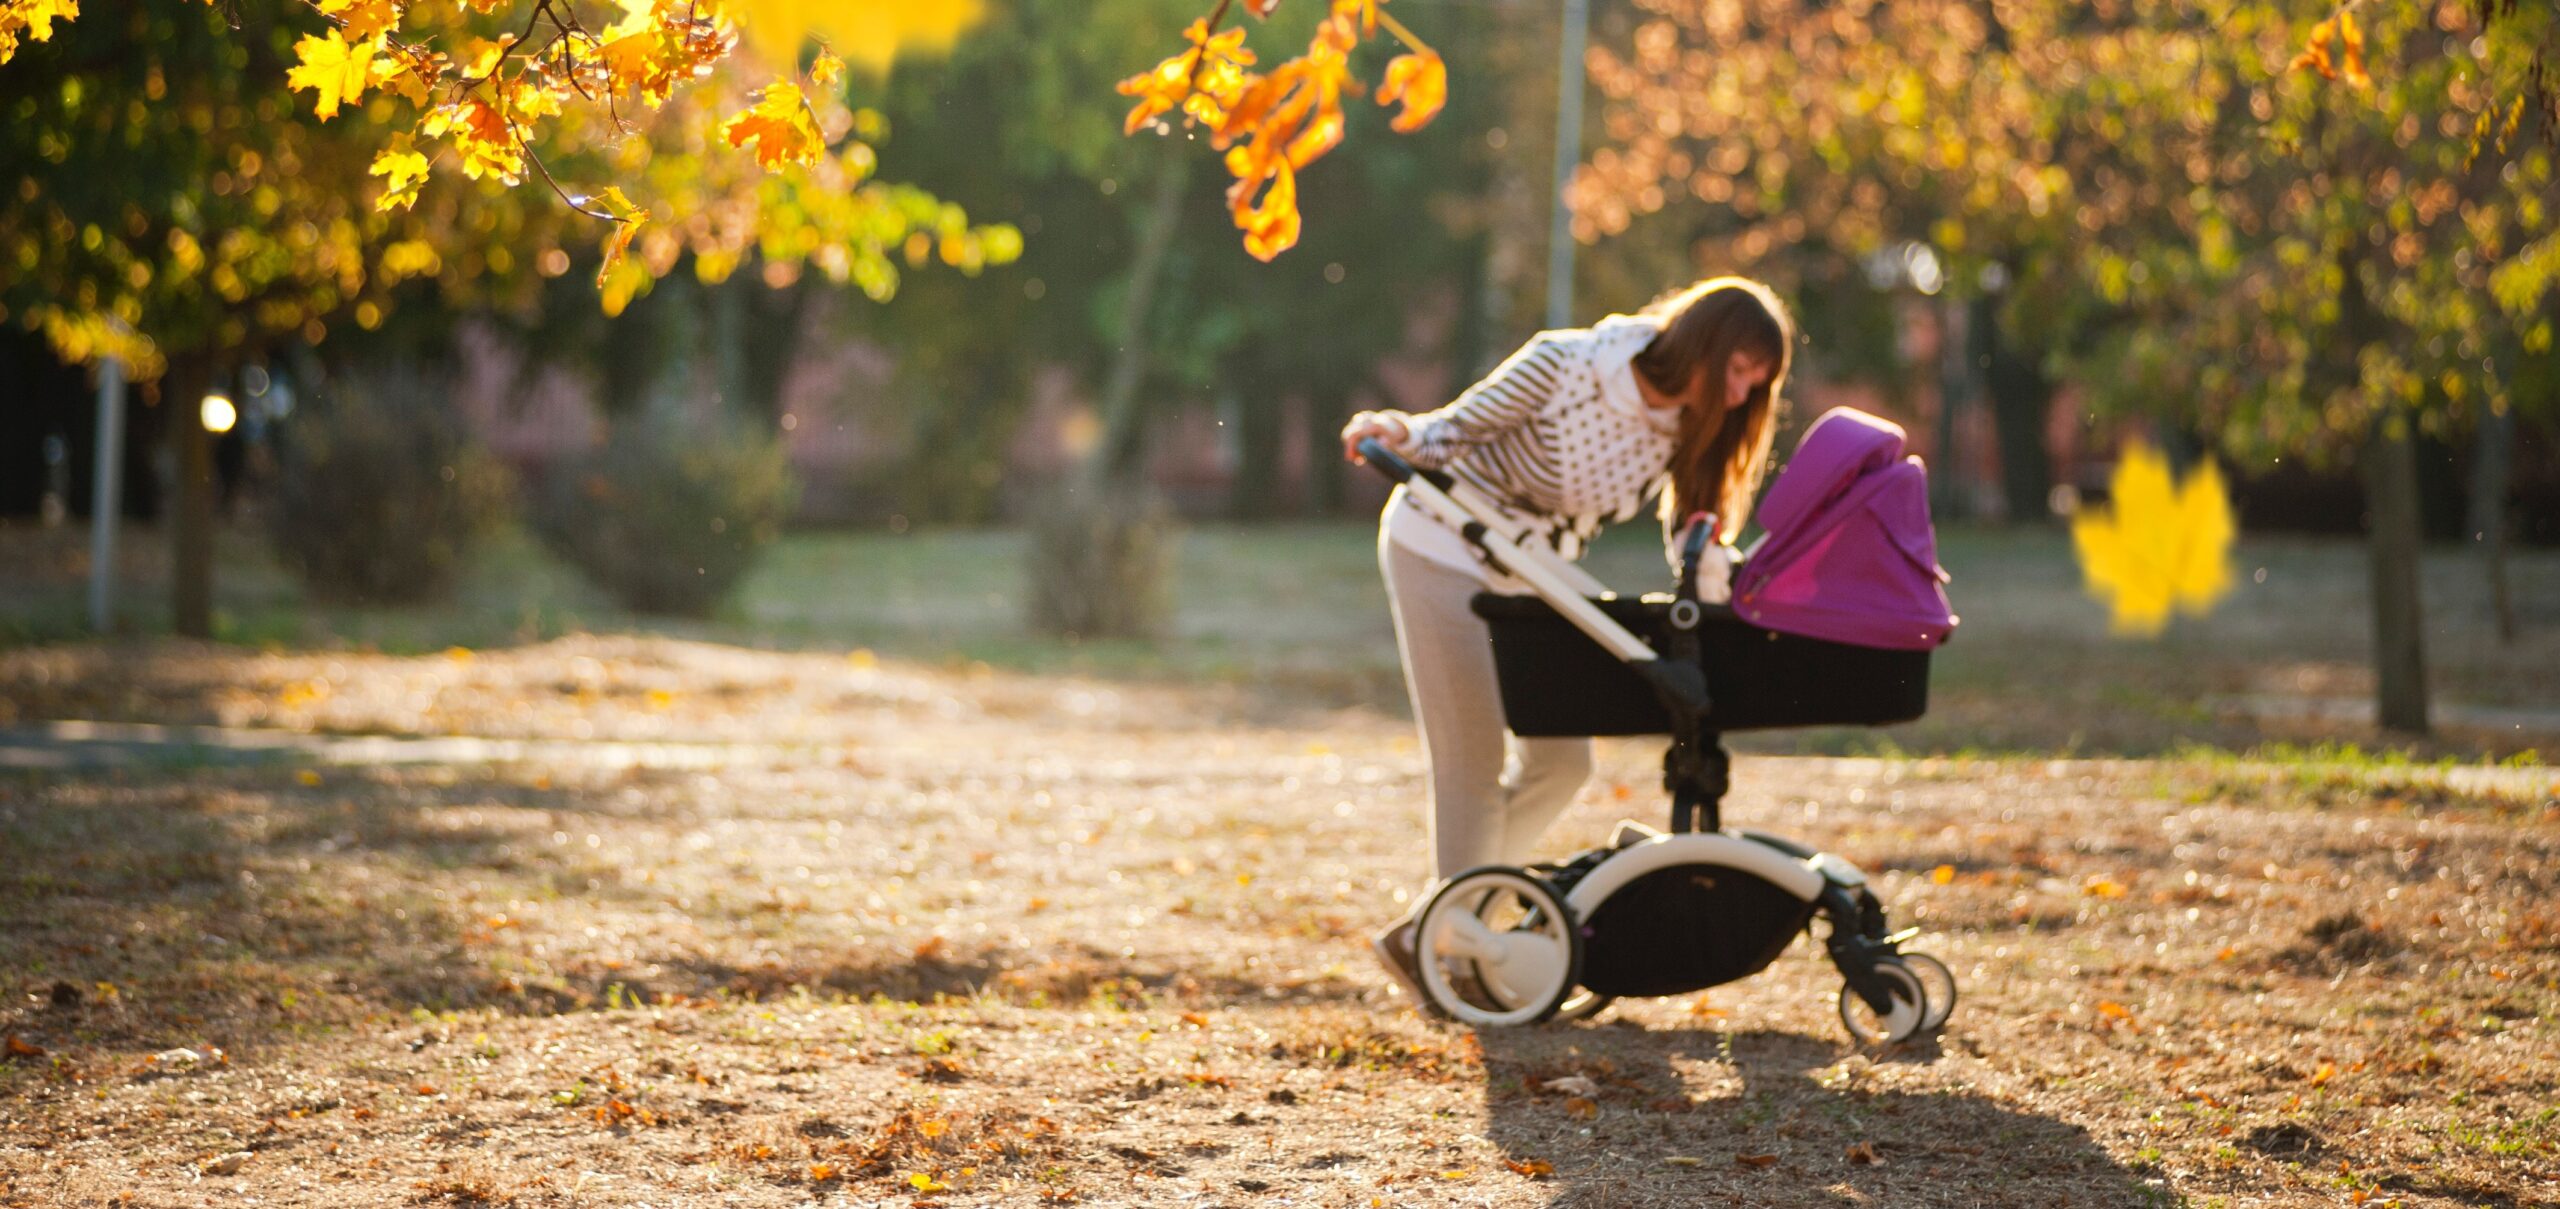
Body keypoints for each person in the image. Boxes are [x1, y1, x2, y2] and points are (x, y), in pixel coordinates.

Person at [1338, 276, 1796, 1008]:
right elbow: (1451, 430)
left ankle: (1437, 926)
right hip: (1442, 544)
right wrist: (1394, 431)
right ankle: (1453, 951)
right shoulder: (1569, 364)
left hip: (1534, 571)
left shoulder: (1692, 424)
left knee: (1562, 761)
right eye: (1739, 370)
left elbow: (1696, 535)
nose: (1742, 395)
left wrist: (1727, 594)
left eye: (1757, 383)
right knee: (1472, 760)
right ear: (1704, 344)